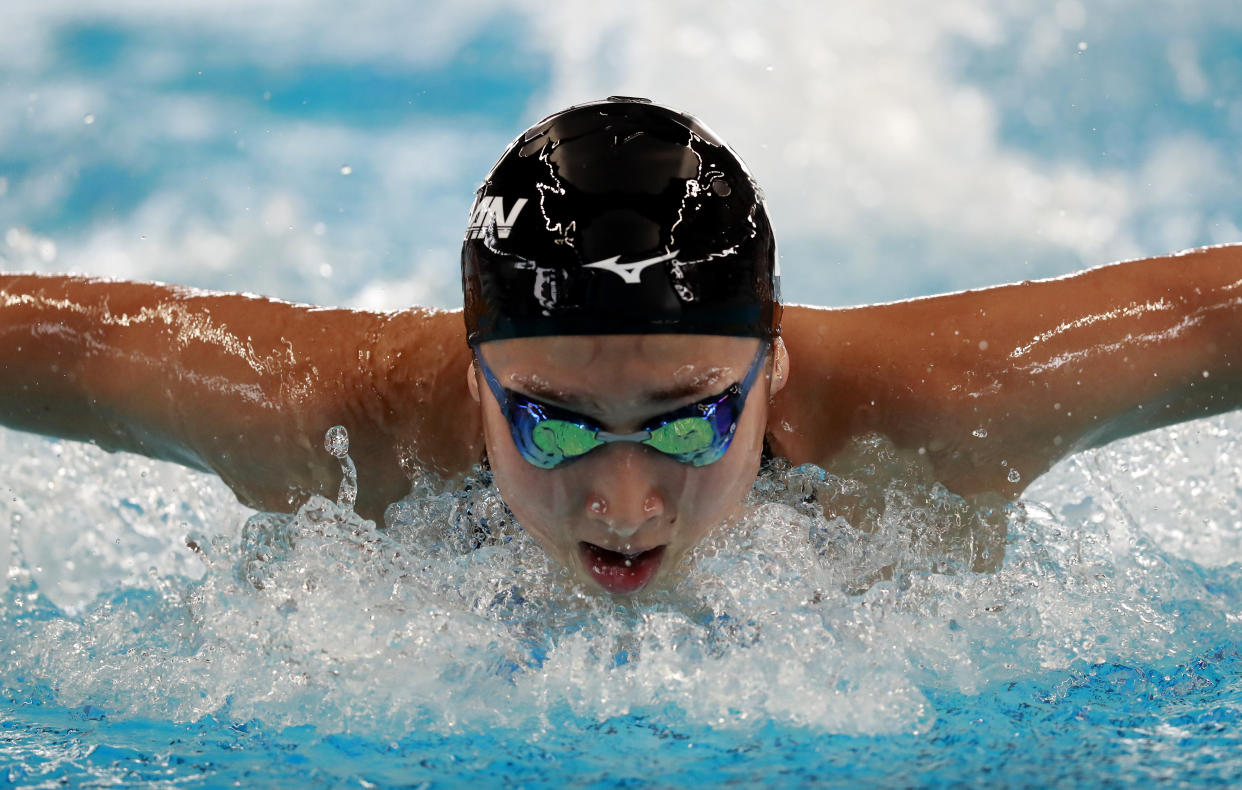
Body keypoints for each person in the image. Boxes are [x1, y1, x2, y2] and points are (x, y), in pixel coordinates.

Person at [2, 97, 1240, 594]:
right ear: (472, 380)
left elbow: (1205, 320)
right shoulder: (329, 432)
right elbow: (63, 339)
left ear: (777, 371)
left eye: (694, 415)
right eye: (549, 420)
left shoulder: (949, 412)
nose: (626, 504)